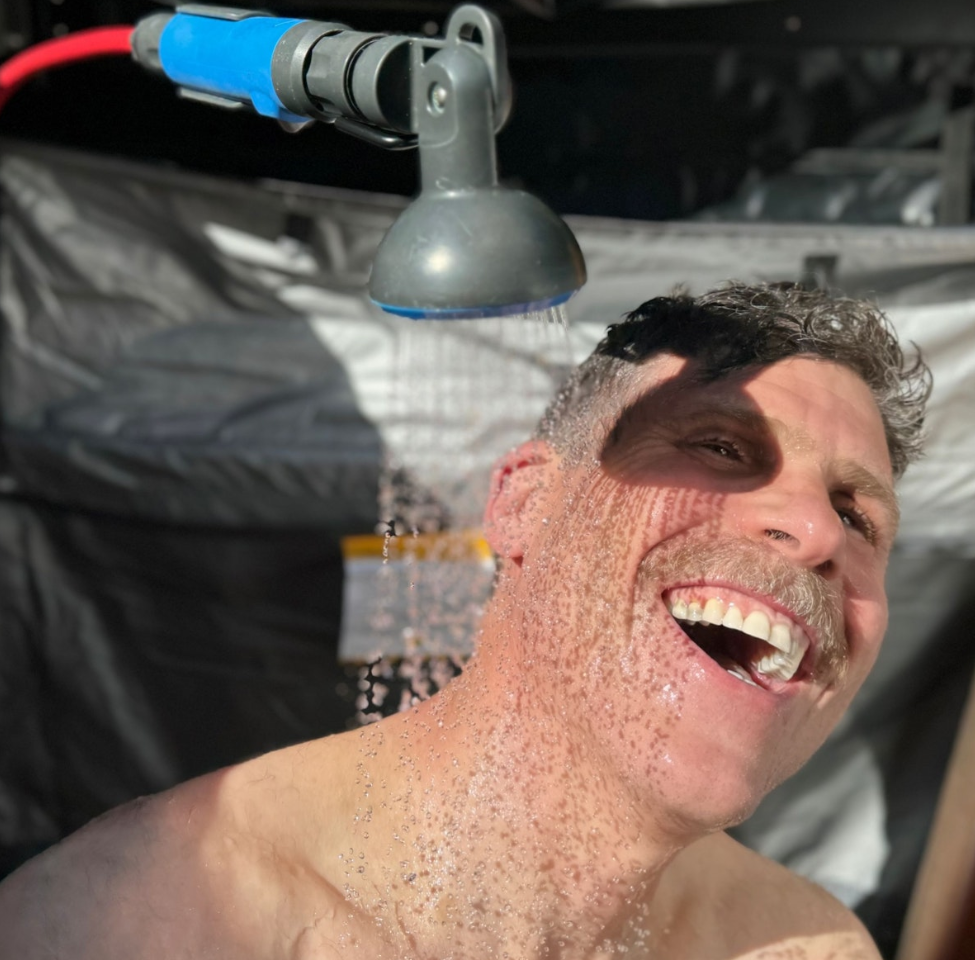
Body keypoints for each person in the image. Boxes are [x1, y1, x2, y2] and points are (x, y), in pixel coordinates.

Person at [0, 282, 930, 959]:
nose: (814, 531)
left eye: (858, 516)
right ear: (526, 506)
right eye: (722, 446)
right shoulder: (142, 921)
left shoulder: (803, 948)